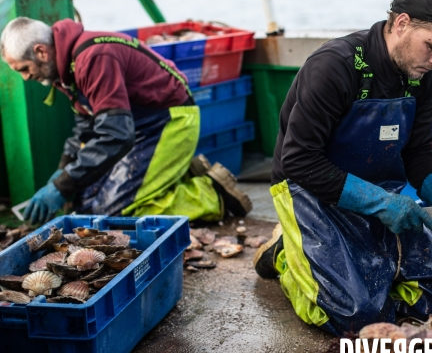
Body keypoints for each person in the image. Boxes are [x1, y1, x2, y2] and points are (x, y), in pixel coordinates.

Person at [253, 0, 432, 336]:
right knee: (356, 315)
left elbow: (417, 149)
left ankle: (330, 259)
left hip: (381, 192)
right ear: (402, 23)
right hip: (313, 192)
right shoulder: (335, 66)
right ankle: (286, 255)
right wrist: (382, 204)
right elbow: (299, 161)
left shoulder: (422, 75)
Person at [0, 17, 251, 224]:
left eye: (23, 69)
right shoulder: (67, 68)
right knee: (83, 205)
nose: (25, 77)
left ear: (41, 52)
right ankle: (174, 174)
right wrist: (63, 171)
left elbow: (116, 136)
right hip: (132, 125)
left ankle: (210, 194)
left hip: (169, 119)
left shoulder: (93, 56)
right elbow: (86, 125)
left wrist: (62, 185)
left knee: (116, 215)